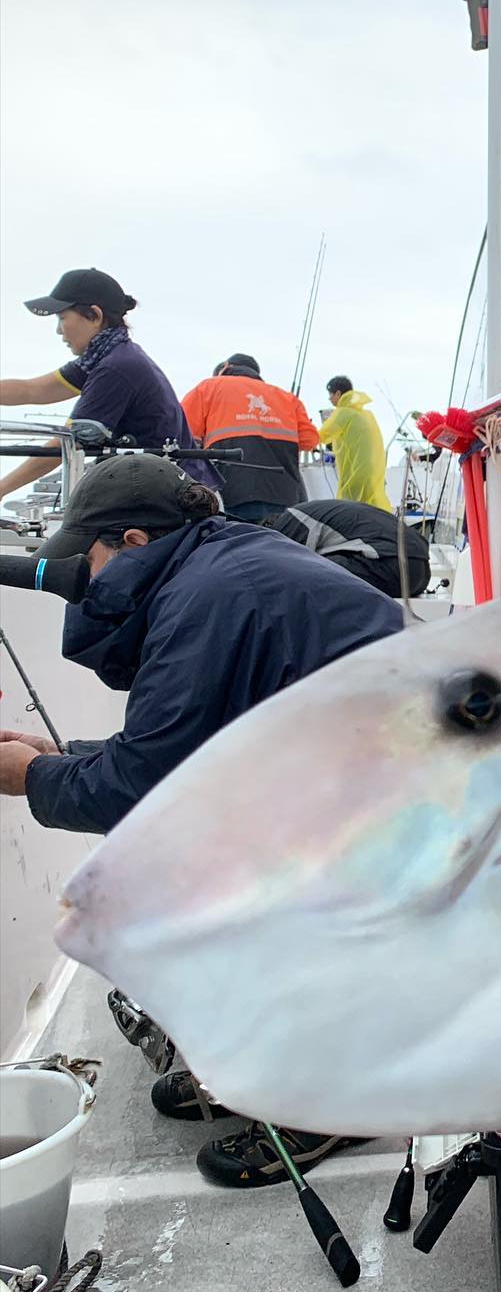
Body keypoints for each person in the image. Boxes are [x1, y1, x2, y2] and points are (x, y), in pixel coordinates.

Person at [0, 452, 404, 1188]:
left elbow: (143, 787)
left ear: (132, 543)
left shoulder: (209, 596)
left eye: (82, 559)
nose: (78, 584)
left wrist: (31, 777)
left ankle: (333, 1098)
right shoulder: (215, 569)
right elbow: (174, 753)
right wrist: (61, 755)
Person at [0, 268, 217, 499]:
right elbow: (33, 390)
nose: (58, 331)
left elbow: (66, 444)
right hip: (167, 489)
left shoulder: (115, 368)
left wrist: (2, 489)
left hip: (177, 499)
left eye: (62, 318)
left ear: (94, 315)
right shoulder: (106, 357)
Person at [180, 353, 318, 520]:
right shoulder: (287, 398)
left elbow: (181, 429)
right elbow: (309, 440)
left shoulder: (209, 387)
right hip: (285, 496)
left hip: (232, 493)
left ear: (225, 368)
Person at [258, 497, 431, 598]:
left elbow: (288, 572)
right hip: (421, 570)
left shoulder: (288, 522)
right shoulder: (316, 509)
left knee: (304, 575)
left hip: (390, 564)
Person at [317, 375, 390, 510]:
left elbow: (320, 436)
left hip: (355, 473)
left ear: (338, 393)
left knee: (350, 510)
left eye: (330, 394)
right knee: (372, 511)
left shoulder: (343, 412)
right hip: (373, 473)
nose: (329, 398)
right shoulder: (367, 414)